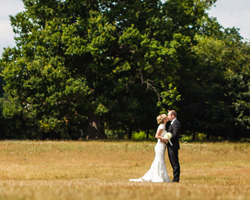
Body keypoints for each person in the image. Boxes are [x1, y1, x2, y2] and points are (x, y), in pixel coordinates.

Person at [129, 114, 170, 182]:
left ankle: (161, 176)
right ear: (164, 119)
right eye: (166, 117)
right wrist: (163, 138)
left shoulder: (164, 126)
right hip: (160, 146)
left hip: (163, 145)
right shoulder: (161, 126)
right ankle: (158, 177)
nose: (167, 118)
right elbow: (156, 136)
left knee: (160, 160)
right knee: (159, 160)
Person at [166, 110, 181, 183]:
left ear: (173, 116)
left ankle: (176, 179)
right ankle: (175, 178)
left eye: (168, 115)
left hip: (173, 145)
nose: (168, 116)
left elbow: (175, 134)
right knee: (172, 162)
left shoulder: (176, 123)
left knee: (175, 163)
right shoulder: (172, 123)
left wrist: (168, 138)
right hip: (170, 145)